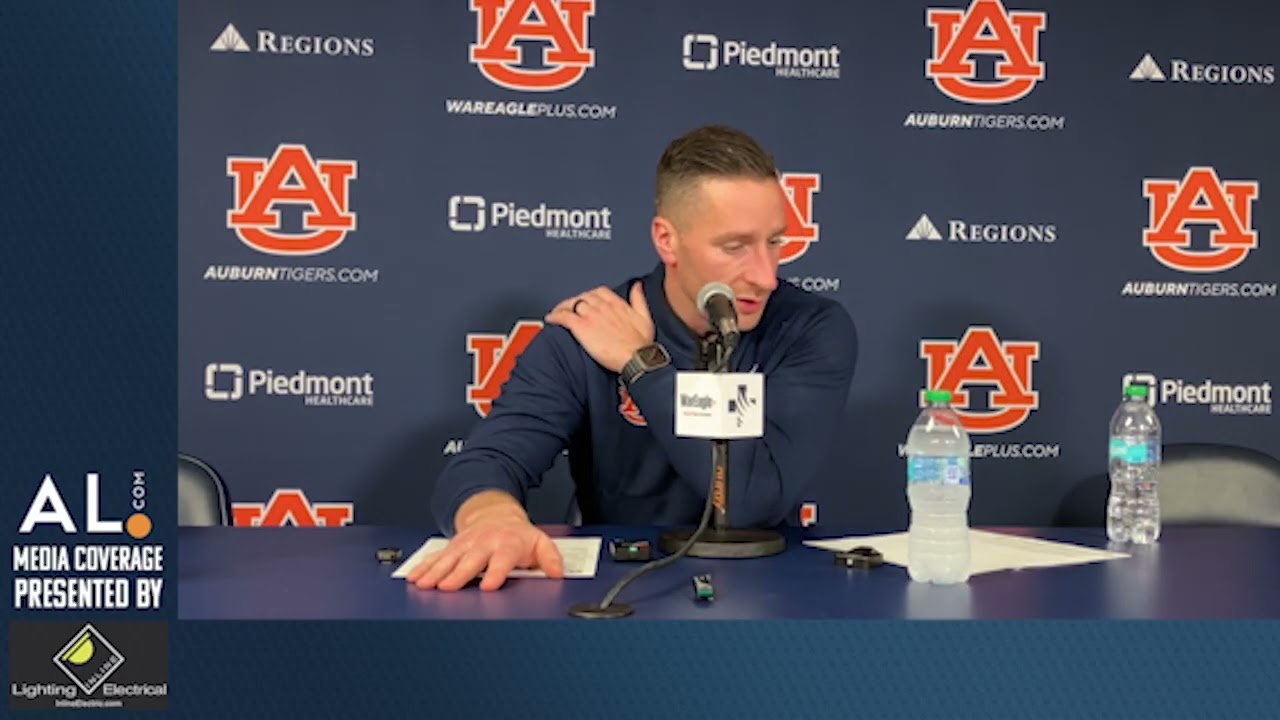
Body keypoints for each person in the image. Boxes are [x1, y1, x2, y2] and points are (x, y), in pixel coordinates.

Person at [406, 125, 858, 592]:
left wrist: (641, 364)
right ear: (667, 240)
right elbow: (488, 460)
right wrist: (493, 518)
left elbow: (750, 500)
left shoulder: (809, 328)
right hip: (622, 594)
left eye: (775, 242)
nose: (765, 276)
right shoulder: (588, 332)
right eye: (735, 247)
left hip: (768, 595)